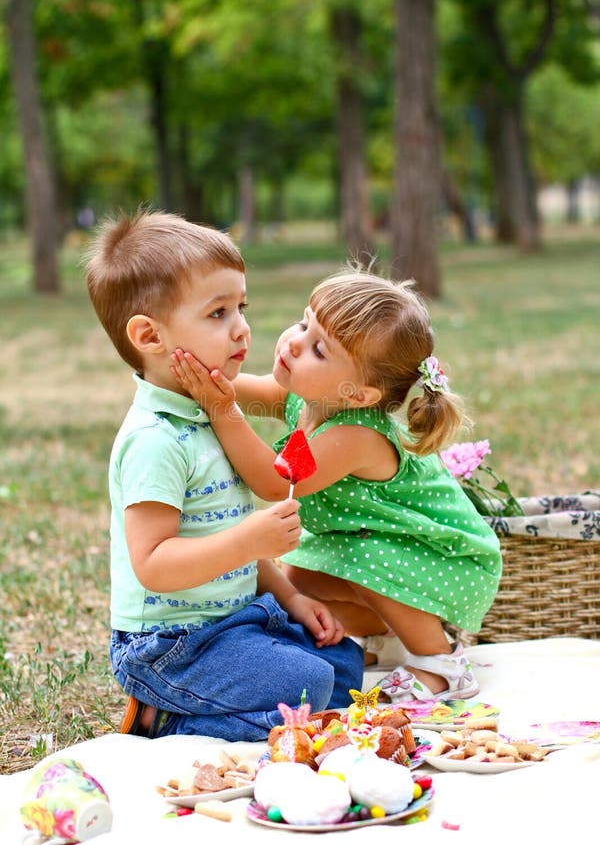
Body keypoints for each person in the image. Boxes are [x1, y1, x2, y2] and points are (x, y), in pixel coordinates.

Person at [84, 209, 364, 741]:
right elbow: (154, 565)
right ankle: (166, 716)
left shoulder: (210, 410)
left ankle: (226, 702)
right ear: (149, 335)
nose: (242, 327)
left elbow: (225, 525)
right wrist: (249, 539)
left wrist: (291, 598)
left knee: (345, 667)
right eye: (217, 313)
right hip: (172, 644)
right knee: (312, 681)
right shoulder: (155, 440)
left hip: (232, 620)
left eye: (242, 306)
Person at [170, 265, 502, 703]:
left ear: (360, 395)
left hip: (445, 556)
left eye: (319, 349)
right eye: (304, 322)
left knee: (364, 557)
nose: (293, 342)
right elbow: (238, 390)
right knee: (294, 583)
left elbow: (274, 480)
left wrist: (221, 410)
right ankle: (387, 635)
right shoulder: (309, 398)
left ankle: (442, 662)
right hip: (371, 541)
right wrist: (195, 376)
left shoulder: (356, 435)